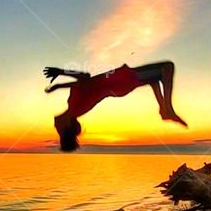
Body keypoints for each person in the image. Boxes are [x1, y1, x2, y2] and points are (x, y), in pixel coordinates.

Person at [44, 61, 187, 152]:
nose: (54, 125)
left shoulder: (74, 107)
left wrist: (59, 81)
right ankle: (167, 110)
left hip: (118, 81)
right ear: (67, 124)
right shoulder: (76, 107)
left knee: (154, 79)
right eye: (58, 129)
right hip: (120, 81)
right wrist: (60, 76)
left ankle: (164, 109)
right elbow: (84, 77)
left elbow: (83, 80)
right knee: (167, 68)